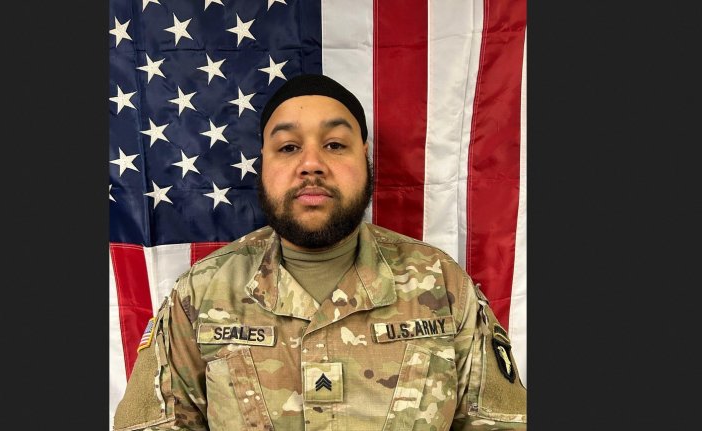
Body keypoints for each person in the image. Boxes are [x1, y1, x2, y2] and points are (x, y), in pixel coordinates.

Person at [113, 74, 527, 431]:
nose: (311, 163)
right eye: (288, 147)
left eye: (334, 144)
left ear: (363, 160)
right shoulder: (201, 294)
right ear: (264, 165)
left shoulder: (440, 284)